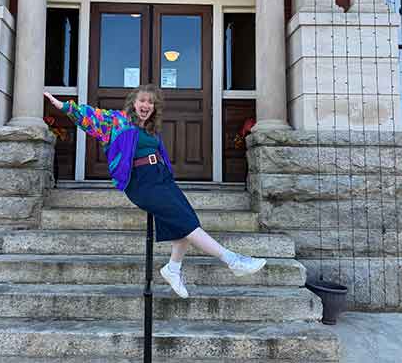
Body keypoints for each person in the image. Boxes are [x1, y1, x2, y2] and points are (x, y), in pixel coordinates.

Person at [44, 84, 266, 298]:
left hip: (160, 177)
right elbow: (90, 116)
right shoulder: (117, 121)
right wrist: (64, 107)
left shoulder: (151, 130)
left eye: (150, 102)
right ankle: (232, 260)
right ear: (133, 103)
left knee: (188, 221)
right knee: (186, 224)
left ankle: (173, 268)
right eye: (142, 100)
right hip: (140, 182)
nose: (146, 105)